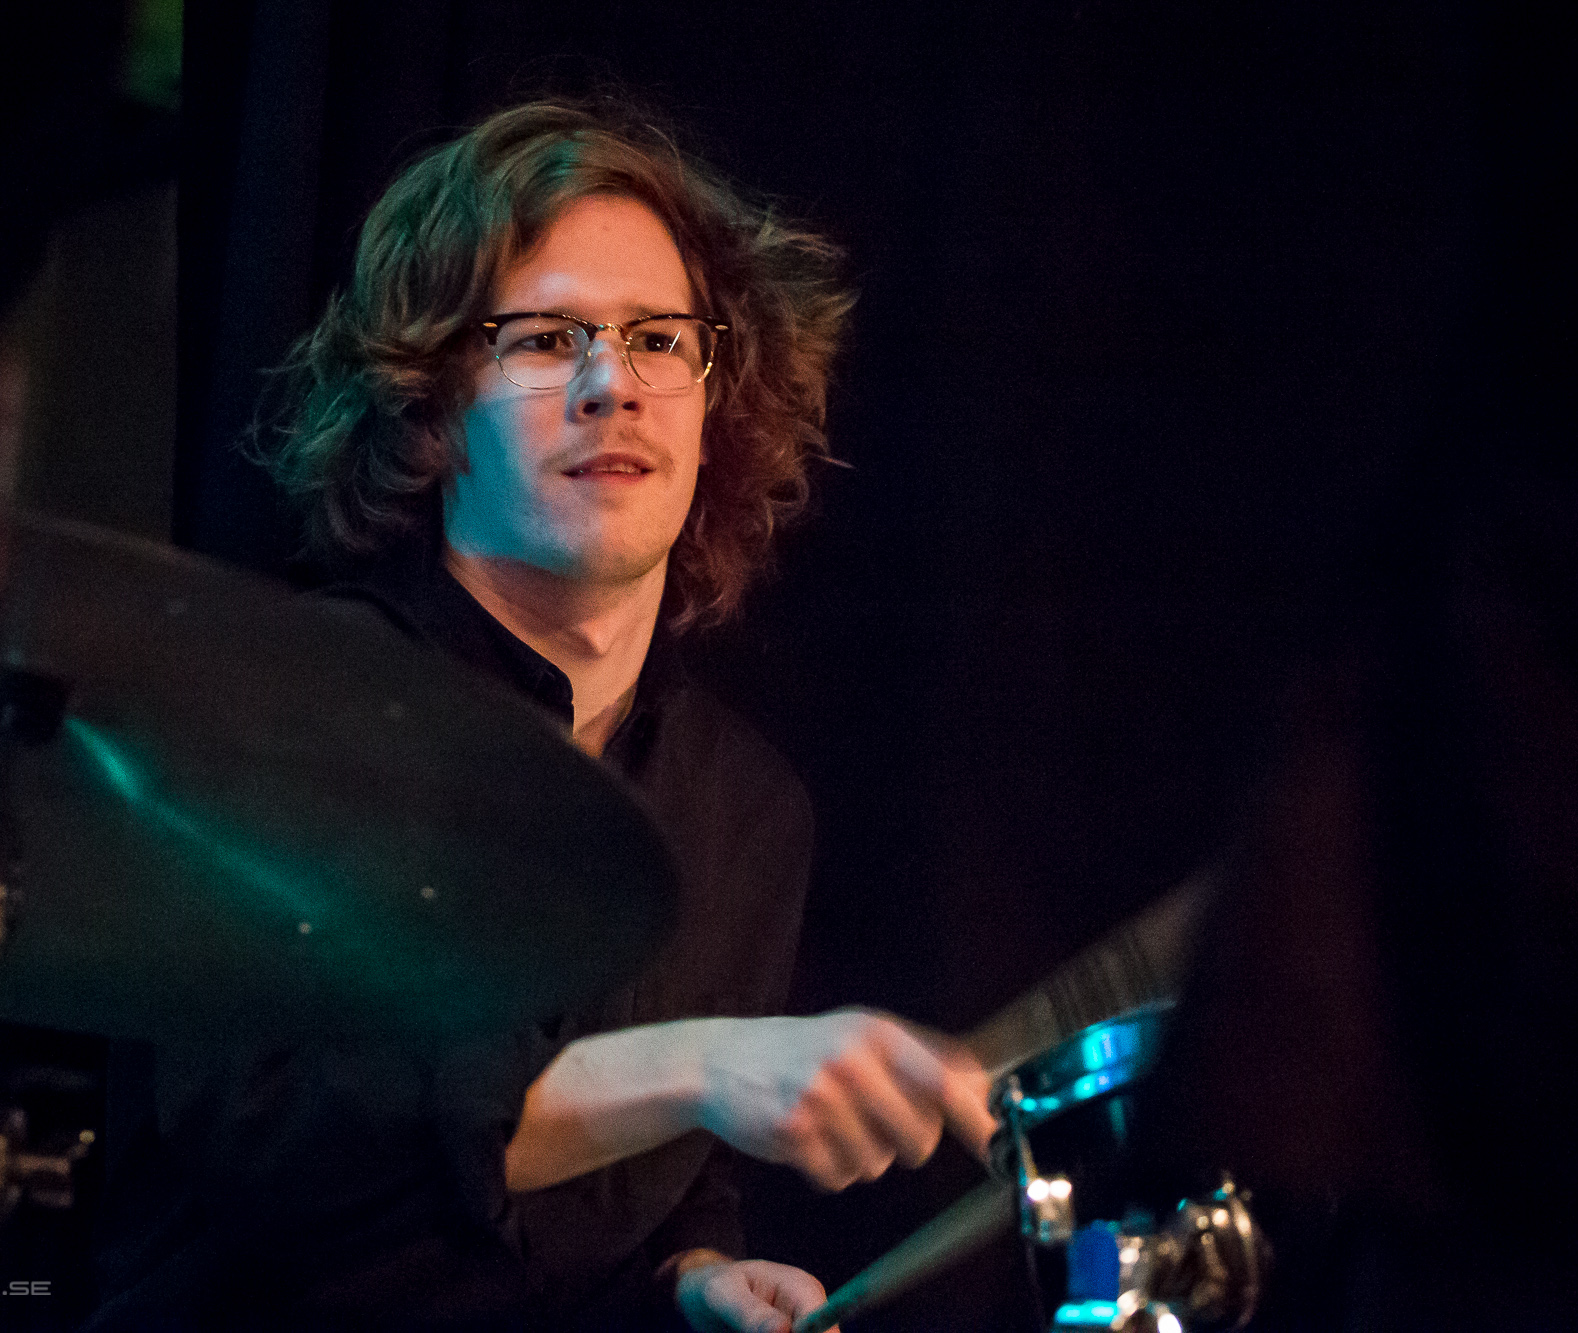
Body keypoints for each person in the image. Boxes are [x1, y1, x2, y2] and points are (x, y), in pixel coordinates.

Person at [89, 101, 995, 1333]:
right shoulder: (292, 709)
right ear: (429, 402)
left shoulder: (747, 806)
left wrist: (694, 1272)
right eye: (545, 338)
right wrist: (699, 1065)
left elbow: (671, 1184)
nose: (610, 384)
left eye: (657, 339)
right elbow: (275, 1125)